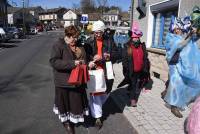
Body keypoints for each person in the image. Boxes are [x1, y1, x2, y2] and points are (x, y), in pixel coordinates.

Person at [49, 25, 89, 134]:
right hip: (64, 82)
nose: (74, 40)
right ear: (67, 35)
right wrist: (72, 64)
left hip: (77, 80)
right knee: (64, 104)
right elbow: (54, 62)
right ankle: (66, 122)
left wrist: (87, 63)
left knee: (75, 103)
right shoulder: (59, 45)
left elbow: (84, 58)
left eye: (76, 37)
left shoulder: (79, 45)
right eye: (72, 37)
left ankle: (72, 119)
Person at [164, 14, 200, 118]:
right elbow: (179, 45)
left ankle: (169, 93)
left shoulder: (184, 36)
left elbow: (193, 40)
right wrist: (189, 36)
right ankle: (173, 106)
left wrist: (195, 31)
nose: (177, 31)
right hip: (174, 65)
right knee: (176, 82)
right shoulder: (170, 38)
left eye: (179, 28)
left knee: (182, 83)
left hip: (183, 65)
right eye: (175, 29)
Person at [84, 20, 117, 128]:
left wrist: (105, 57)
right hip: (94, 72)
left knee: (107, 91)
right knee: (95, 94)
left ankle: (94, 108)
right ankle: (97, 117)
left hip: (107, 71)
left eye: (100, 32)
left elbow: (117, 54)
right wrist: (89, 62)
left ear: (103, 32)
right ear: (93, 32)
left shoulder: (109, 41)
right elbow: (85, 57)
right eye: (95, 32)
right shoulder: (88, 42)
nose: (98, 34)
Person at [122, 21, 149, 107]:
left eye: (137, 37)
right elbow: (124, 60)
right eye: (134, 37)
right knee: (134, 84)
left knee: (134, 84)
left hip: (139, 70)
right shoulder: (127, 47)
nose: (136, 39)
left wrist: (145, 67)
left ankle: (129, 91)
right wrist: (127, 68)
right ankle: (133, 100)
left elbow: (145, 57)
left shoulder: (142, 46)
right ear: (131, 38)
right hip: (131, 70)